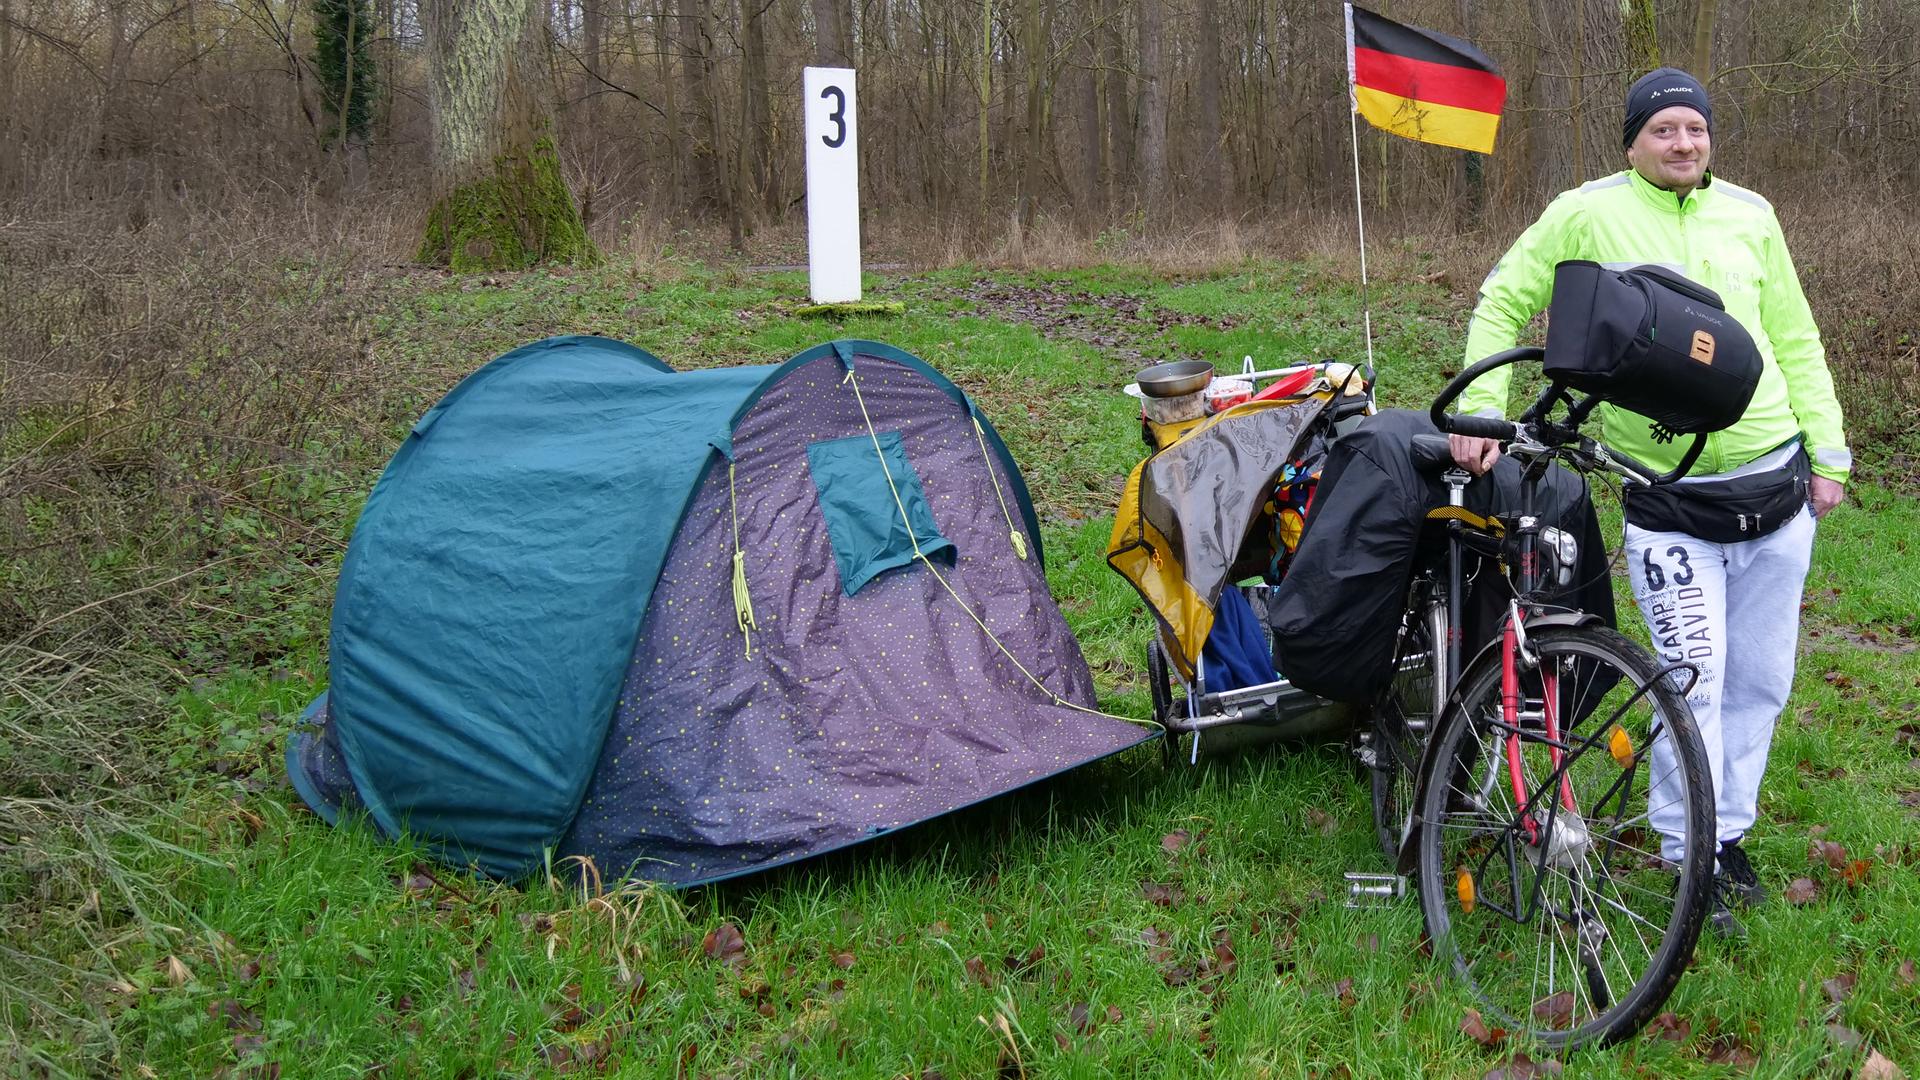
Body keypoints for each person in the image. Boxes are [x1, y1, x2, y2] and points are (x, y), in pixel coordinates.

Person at [1448, 67, 1851, 938]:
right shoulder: (1585, 212)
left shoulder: (1752, 215)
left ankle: (1727, 834)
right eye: (1664, 130)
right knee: (1691, 684)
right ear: (1632, 140)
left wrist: (1829, 449)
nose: (1683, 144)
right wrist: (1479, 412)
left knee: (1759, 684)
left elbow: (1795, 333)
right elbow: (1505, 296)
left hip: (1777, 487)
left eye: (1695, 130)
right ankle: (1686, 852)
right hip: (1670, 503)